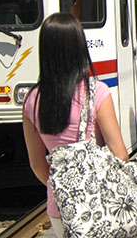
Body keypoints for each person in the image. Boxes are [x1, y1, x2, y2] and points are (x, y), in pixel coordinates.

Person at [22, 13, 128, 238]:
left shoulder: (32, 99)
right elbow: (120, 154)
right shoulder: (96, 92)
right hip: (96, 204)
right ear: (79, 48)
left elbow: (36, 163)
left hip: (59, 207)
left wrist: (60, 187)